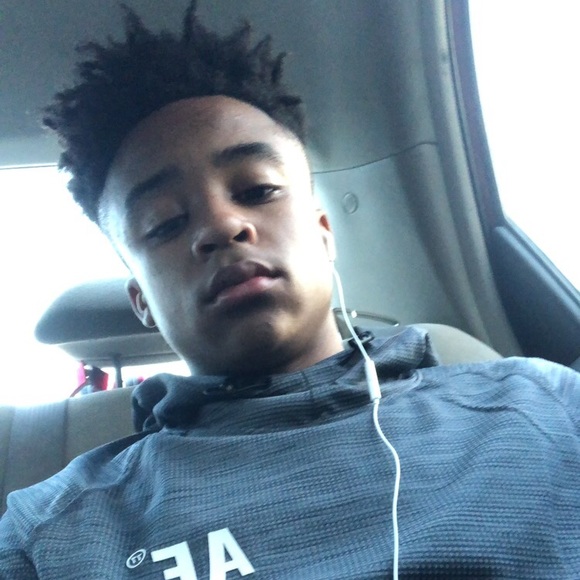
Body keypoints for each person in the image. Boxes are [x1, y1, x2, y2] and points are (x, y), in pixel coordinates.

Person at [1, 2, 579, 578]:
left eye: (257, 190)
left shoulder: (542, 404)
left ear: (324, 233)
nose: (222, 226)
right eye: (166, 223)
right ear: (142, 302)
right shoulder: (52, 534)